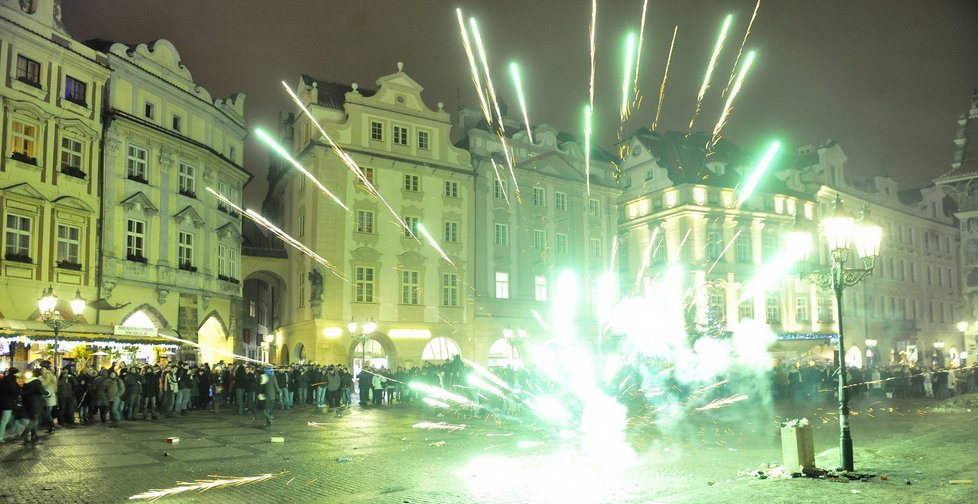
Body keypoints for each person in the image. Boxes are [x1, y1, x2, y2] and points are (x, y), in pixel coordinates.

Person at [20, 368, 48, 445]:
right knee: (34, 420)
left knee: (33, 419)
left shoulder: (26, 381)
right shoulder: (37, 381)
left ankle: (34, 435)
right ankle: (24, 435)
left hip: (27, 403)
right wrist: (48, 393)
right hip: (35, 403)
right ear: (39, 375)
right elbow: (41, 391)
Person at [0, 367, 20, 441]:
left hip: (4, 402)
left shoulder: (4, 379)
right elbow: (14, 391)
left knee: (14, 418)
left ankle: (15, 433)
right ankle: (0, 436)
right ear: (15, 373)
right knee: (4, 420)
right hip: (9, 402)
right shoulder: (12, 381)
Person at [38, 361, 58, 433]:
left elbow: (45, 383)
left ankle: (52, 427)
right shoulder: (44, 375)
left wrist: (39, 382)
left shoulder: (48, 374)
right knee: (45, 413)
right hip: (45, 397)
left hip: (49, 397)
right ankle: (51, 427)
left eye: (42, 368)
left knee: (48, 413)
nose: (41, 370)